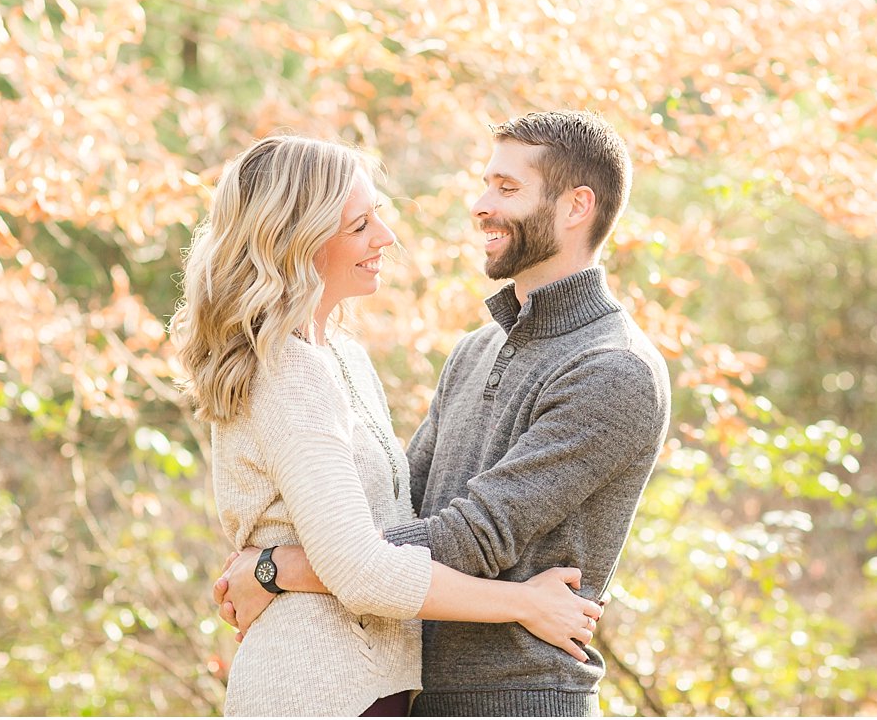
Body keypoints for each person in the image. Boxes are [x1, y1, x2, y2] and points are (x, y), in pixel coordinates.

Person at [216, 111, 672, 716]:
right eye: (486, 183)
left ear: (575, 207)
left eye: (508, 188)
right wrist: (336, 560)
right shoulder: (475, 351)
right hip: (408, 689)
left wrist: (284, 568)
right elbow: (407, 513)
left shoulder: (612, 369)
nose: (482, 204)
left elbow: (472, 537)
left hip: (515, 700)